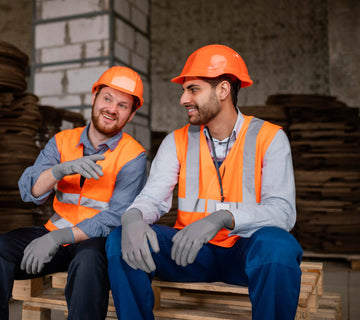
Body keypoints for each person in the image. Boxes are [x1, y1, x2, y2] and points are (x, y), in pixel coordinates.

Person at [106, 44, 303, 320]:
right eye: (184, 90)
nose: (183, 99)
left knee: (279, 246)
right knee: (121, 239)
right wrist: (134, 216)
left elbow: (282, 213)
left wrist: (221, 218)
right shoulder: (176, 141)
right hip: (189, 252)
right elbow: (152, 197)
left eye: (193, 89)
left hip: (244, 253)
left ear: (222, 90)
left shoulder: (269, 138)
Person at [0, 66, 148, 320]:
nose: (112, 109)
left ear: (130, 115)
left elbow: (116, 216)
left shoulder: (133, 155)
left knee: (87, 264)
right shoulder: (62, 141)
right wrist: (59, 170)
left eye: (122, 105)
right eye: (107, 98)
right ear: (94, 98)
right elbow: (29, 191)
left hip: (96, 242)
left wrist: (57, 238)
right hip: (55, 233)